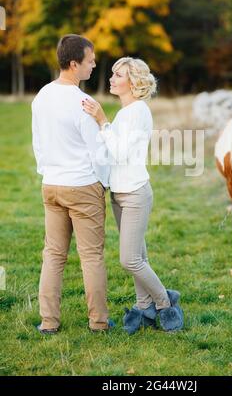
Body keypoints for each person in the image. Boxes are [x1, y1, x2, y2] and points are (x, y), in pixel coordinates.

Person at [82, 57, 184, 334]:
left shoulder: (138, 110)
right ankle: (143, 307)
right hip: (119, 193)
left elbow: (120, 152)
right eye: (112, 74)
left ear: (134, 82)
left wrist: (102, 122)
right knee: (139, 256)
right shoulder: (126, 111)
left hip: (136, 193)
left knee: (129, 260)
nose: (112, 78)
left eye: (118, 75)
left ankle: (165, 303)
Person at [32, 34, 113, 334]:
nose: (93, 66)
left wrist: (48, 172)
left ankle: (49, 322)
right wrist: (102, 184)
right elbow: (98, 152)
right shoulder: (85, 103)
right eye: (90, 61)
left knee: (53, 254)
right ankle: (99, 322)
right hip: (82, 186)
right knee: (91, 256)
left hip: (51, 185)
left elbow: (38, 143)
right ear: (74, 63)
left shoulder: (41, 96)